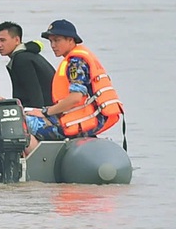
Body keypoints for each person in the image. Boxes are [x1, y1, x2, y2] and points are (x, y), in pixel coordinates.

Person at [24, 20, 123, 154]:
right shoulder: (78, 57)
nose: (53, 45)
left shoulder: (76, 62)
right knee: (28, 113)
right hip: (85, 117)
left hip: (82, 122)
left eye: (57, 40)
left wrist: (46, 112)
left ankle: (39, 164)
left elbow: (76, 98)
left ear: (70, 40)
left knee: (21, 124)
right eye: (51, 41)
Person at [0, 21, 55, 108]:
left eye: (3, 40)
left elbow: (34, 94)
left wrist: (35, 114)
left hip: (45, 111)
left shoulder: (21, 59)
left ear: (17, 40)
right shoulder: (27, 55)